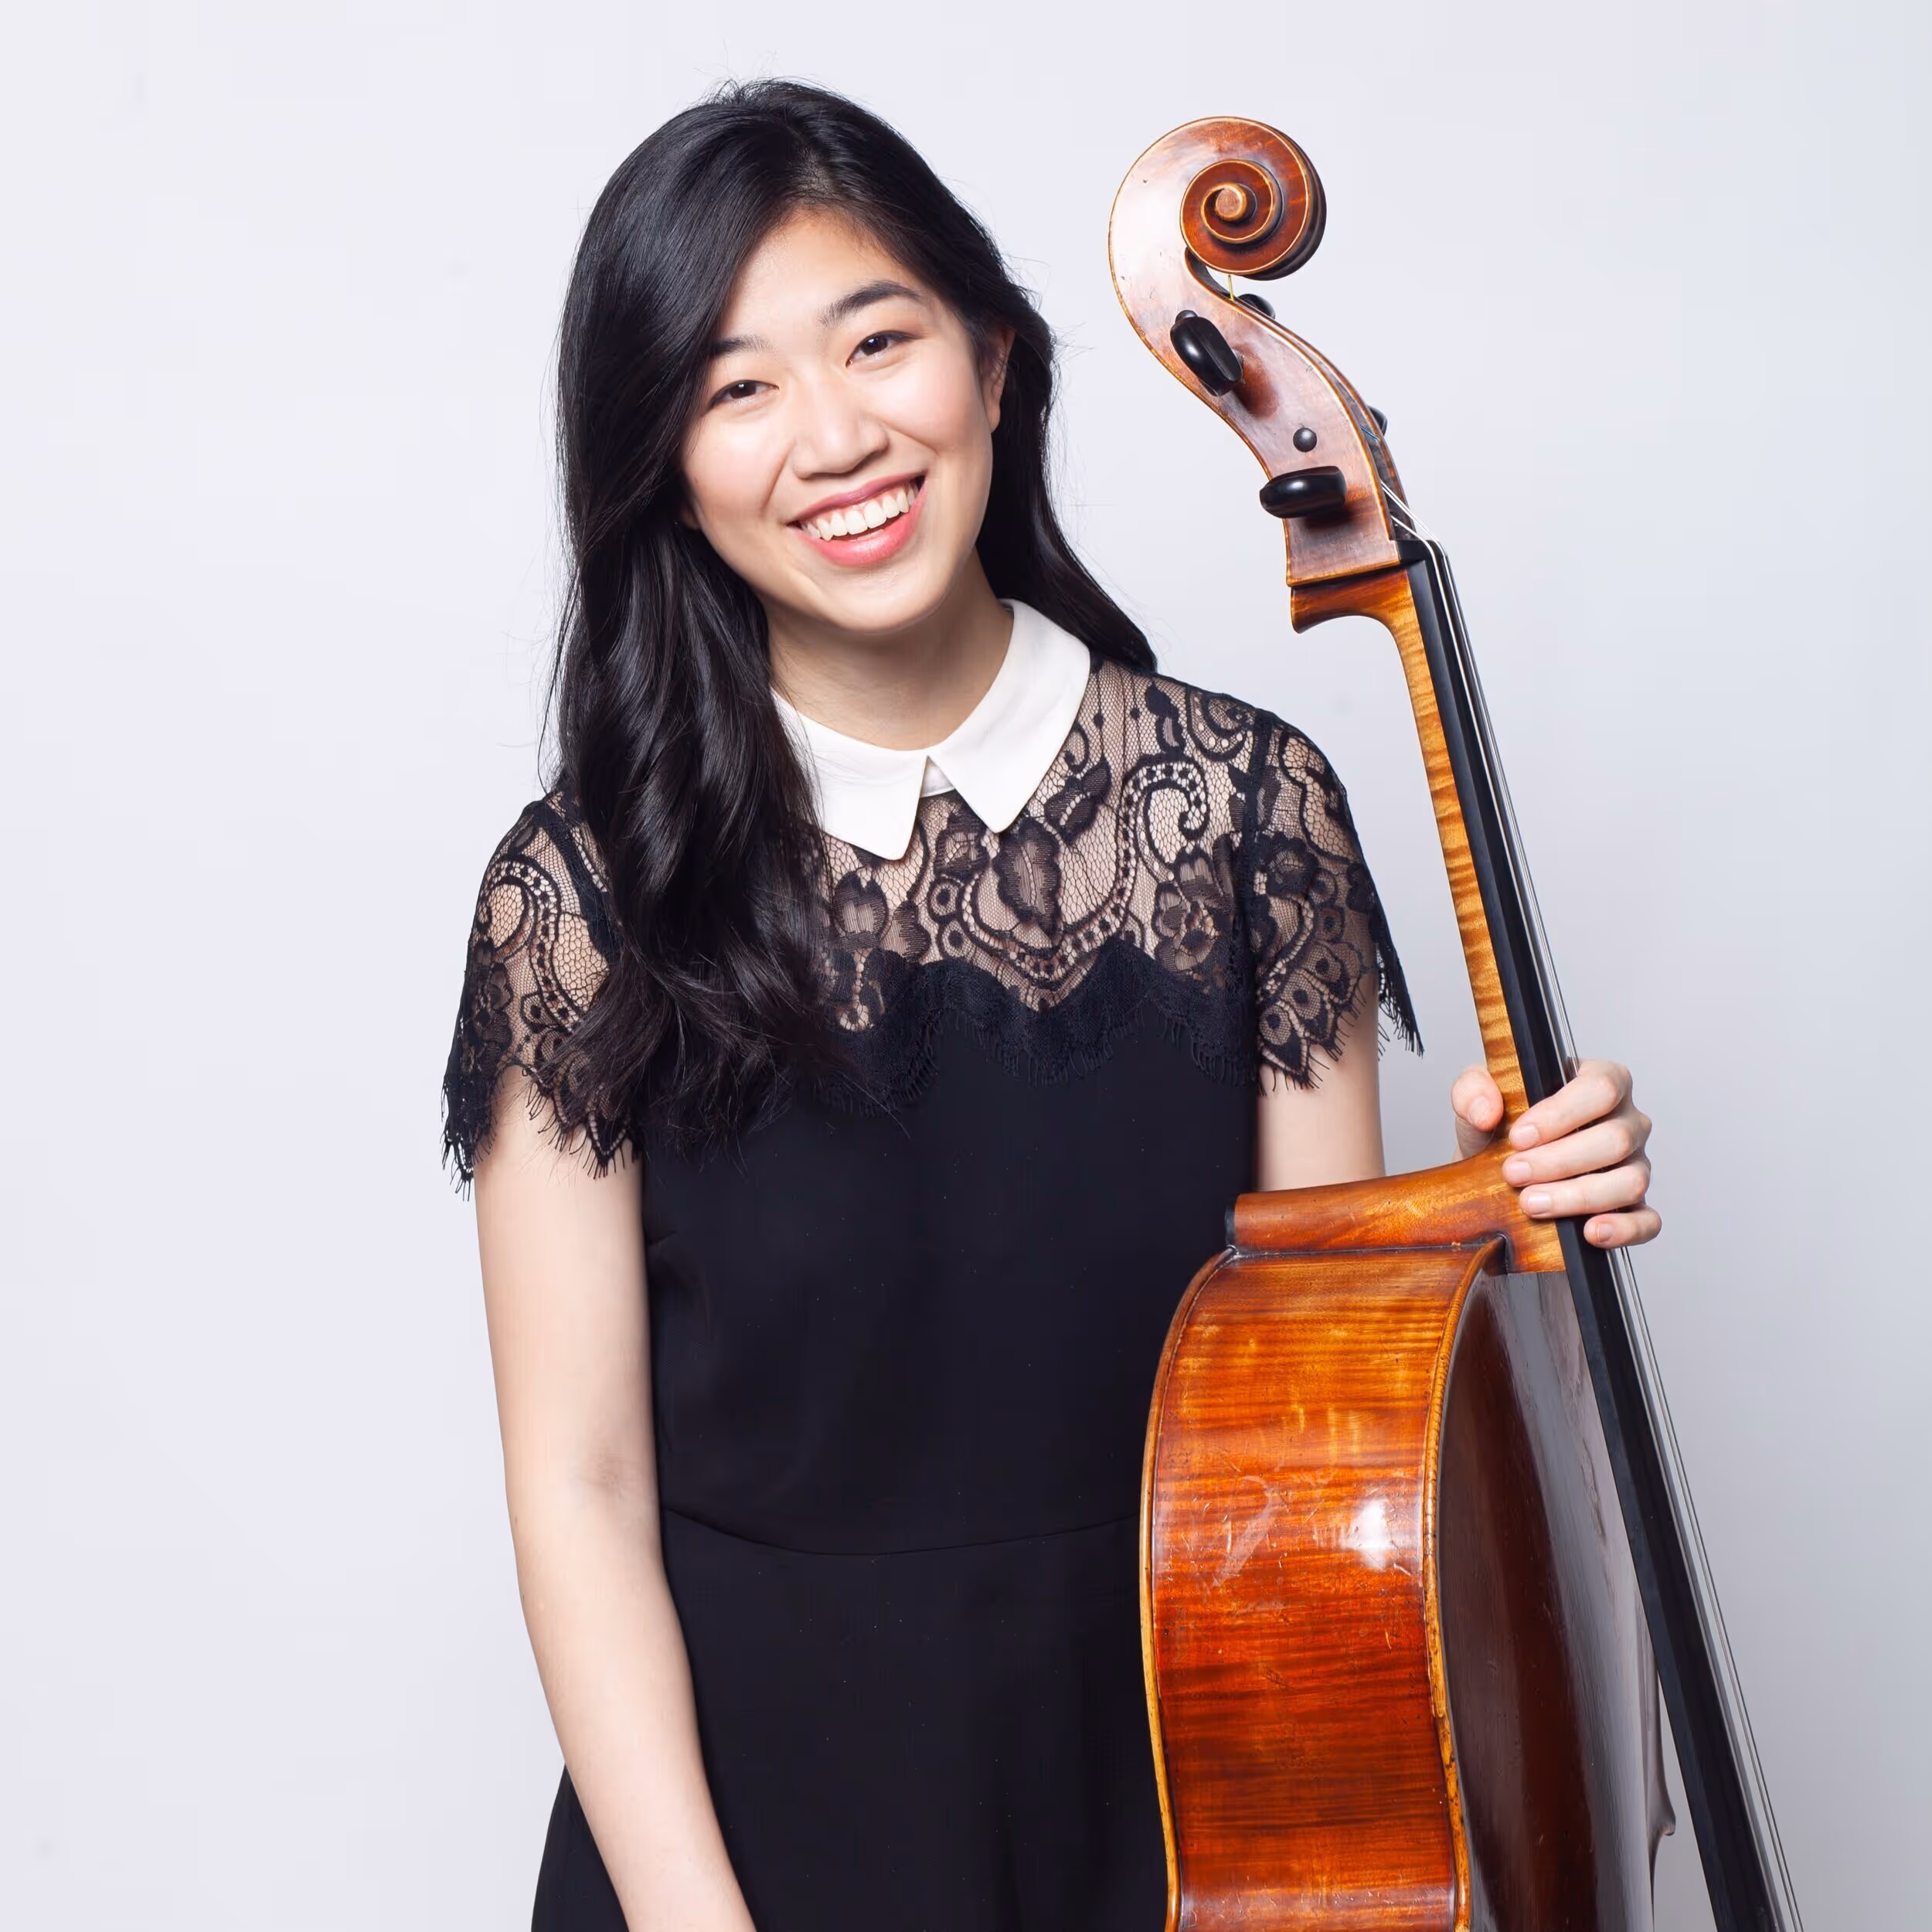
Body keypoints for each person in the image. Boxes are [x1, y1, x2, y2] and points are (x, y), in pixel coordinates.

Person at [442, 80, 1659, 1932]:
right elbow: (583, 1491)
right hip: (749, 1848)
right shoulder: (583, 897)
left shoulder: (1245, 815)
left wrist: (1490, 1223)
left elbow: (1314, 1388)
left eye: (880, 340)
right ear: (663, 463)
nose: (833, 435)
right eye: (735, 385)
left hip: (1191, 1821)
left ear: (994, 364)